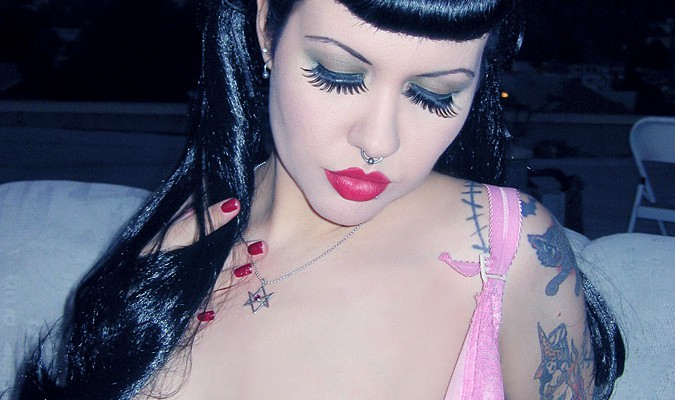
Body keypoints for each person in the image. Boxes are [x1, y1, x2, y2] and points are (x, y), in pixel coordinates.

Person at [13, 0, 624, 398]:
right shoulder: (170, 250)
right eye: (337, 73)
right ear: (266, 29)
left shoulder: (510, 249)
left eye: (435, 94)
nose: (378, 141)